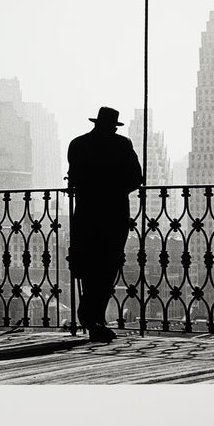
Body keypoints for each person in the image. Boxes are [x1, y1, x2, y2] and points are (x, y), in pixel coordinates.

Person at [67, 106, 143, 342]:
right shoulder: (122, 145)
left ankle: (91, 315)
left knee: (88, 264)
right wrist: (113, 190)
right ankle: (94, 316)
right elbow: (136, 179)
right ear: (113, 125)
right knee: (108, 264)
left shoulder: (78, 144)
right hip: (114, 213)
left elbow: (74, 177)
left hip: (86, 213)